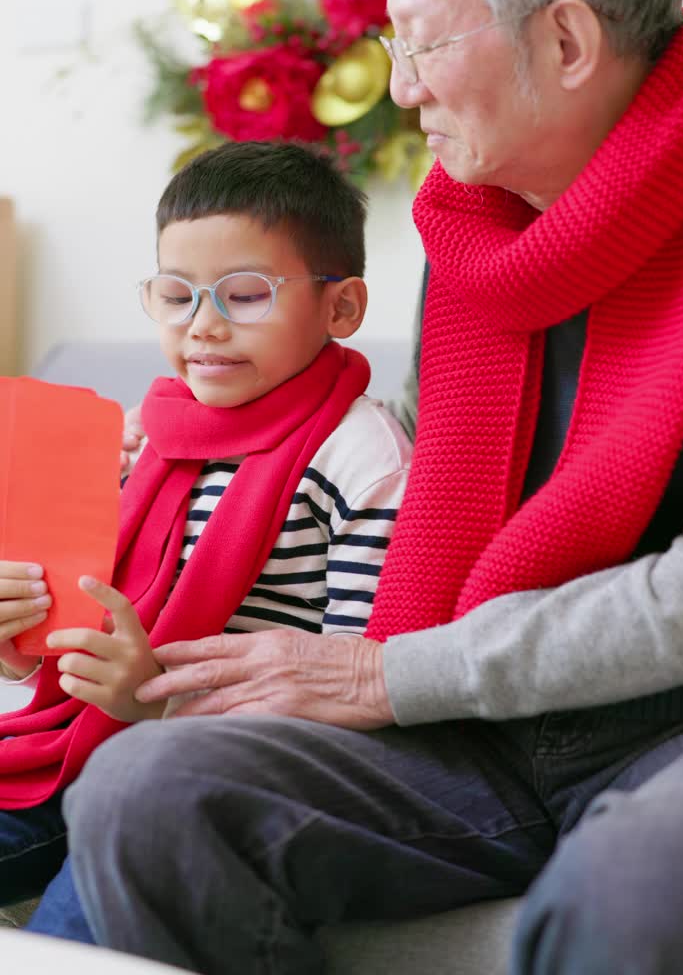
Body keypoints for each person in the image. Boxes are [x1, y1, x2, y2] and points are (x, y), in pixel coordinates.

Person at [61, 0, 683, 975]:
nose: (402, 84)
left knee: (645, 877)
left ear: (565, 41)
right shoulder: (470, 225)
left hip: (681, 723)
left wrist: (396, 674)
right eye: (392, 46)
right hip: (477, 730)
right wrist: (171, 466)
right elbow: (417, 469)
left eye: (421, 39)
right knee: (147, 784)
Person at [0, 141, 410, 937]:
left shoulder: (364, 460)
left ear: (342, 308)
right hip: (76, 745)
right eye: (176, 295)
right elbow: (77, 629)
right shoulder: (141, 437)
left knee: (74, 931)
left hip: (218, 771)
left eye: (246, 294)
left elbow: (357, 692)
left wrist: (154, 701)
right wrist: (17, 635)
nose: (205, 327)